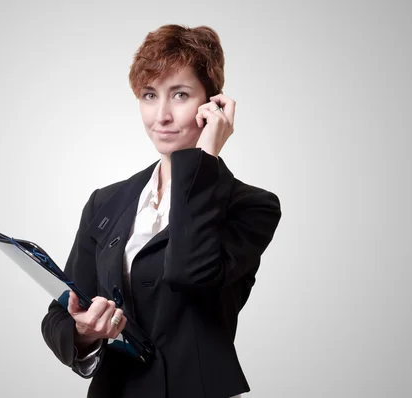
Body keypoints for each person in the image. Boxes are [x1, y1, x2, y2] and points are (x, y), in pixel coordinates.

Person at [41, 24, 282, 398]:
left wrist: (203, 159)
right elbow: (59, 314)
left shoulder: (252, 206)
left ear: (212, 104)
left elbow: (192, 272)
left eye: (180, 94)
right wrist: (84, 331)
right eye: (150, 95)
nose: (161, 115)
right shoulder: (106, 201)